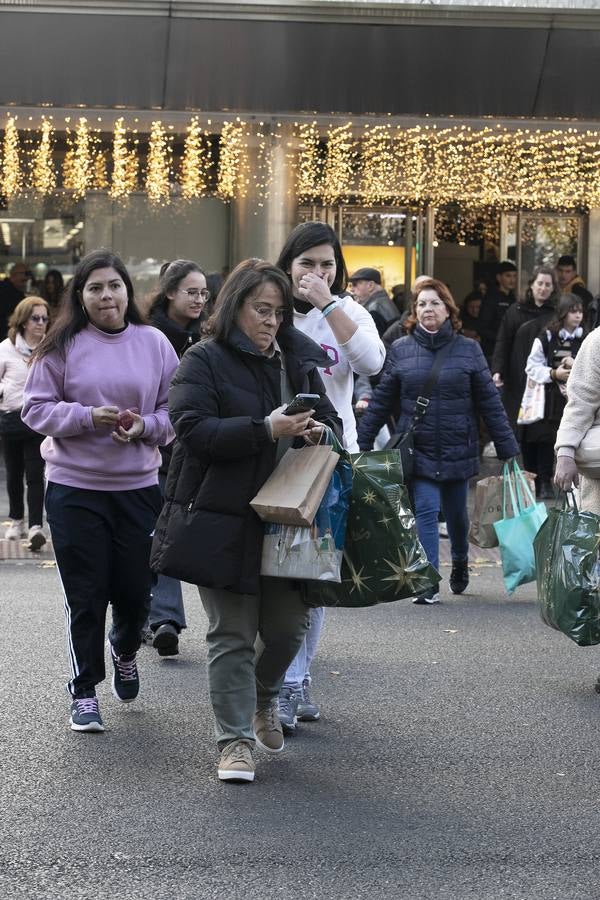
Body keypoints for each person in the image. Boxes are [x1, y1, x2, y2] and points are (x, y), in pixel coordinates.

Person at [152, 258, 341, 782]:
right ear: (235, 306)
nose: (271, 321)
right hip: (221, 514)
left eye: (279, 312)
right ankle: (233, 742)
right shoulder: (202, 359)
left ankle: (263, 697)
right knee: (232, 634)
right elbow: (192, 429)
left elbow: (332, 420)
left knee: (287, 628)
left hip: (290, 516)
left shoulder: (296, 359)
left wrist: (319, 432)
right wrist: (266, 429)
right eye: (262, 309)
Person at [22, 249, 178, 734]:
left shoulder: (154, 343)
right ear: (80, 295)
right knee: (85, 594)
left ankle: (124, 649)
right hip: (74, 489)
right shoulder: (61, 345)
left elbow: (176, 412)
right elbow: (35, 409)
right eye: (95, 288)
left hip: (138, 489)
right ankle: (85, 689)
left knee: (135, 593)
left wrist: (145, 427)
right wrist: (87, 417)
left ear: (128, 291)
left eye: (114, 285)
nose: (106, 296)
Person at [275, 221, 385, 731]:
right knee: (276, 573)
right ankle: (278, 678)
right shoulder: (271, 306)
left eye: (327, 265)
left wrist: (327, 304)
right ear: (287, 266)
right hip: (274, 453)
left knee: (314, 571)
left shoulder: (349, 310)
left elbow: (371, 362)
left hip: (331, 457)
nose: (316, 274)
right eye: (306, 264)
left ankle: (295, 680)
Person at [357, 278, 519, 604]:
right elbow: (382, 400)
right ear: (414, 312)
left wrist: (507, 448)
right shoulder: (401, 349)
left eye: (434, 303)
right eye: (421, 304)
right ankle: (426, 580)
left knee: (457, 516)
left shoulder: (469, 349)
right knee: (427, 511)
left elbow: (490, 403)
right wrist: (363, 441)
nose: (428, 309)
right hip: (419, 449)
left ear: (448, 310)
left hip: (458, 447)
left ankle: (459, 560)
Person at [146, 259, 209, 656]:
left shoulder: (206, 337)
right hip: (151, 447)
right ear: (170, 292)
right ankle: (161, 618)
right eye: (191, 292)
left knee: (169, 533)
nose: (199, 299)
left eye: (204, 293)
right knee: (156, 531)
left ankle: (154, 616)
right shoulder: (148, 335)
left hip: (193, 449)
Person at [523, 294, 586, 498]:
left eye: (580, 311)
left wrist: (574, 366)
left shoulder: (584, 338)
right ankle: (544, 482)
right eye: (573, 311)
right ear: (563, 313)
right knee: (545, 439)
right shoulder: (547, 336)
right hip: (549, 398)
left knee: (573, 438)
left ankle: (573, 487)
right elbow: (531, 366)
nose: (578, 316)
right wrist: (554, 373)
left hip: (575, 398)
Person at [0, 297, 49, 550]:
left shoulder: (49, 348)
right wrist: (4, 392)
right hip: (11, 417)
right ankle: (17, 520)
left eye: (44, 318)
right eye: (35, 318)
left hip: (37, 420)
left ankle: (35, 527)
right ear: (23, 321)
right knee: (13, 473)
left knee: (35, 474)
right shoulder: (6, 348)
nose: (40, 323)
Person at [491, 266, 558, 430]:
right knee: (515, 421)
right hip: (517, 373)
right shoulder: (515, 310)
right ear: (532, 285)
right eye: (540, 283)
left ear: (553, 288)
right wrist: (498, 370)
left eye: (547, 285)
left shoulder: (557, 313)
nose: (543, 288)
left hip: (545, 376)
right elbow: (503, 341)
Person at [478, 260, 518, 362]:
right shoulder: (491, 298)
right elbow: (482, 328)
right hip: (492, 352)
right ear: (499, 278)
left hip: (510, 351)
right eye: (508, 276)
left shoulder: (513, 298)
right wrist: (503, 338)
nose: (512, 280)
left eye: (514, 276)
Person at [348, 267, 399, 336]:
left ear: (371, 285)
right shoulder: (382, 302)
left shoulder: (374, 309)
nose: (352, 289)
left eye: (355, 284)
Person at [0, 262, 28, 341]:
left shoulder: (15, 291)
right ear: (14, 275)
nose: (26, 278)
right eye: (24, 274)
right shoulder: (8, 291)